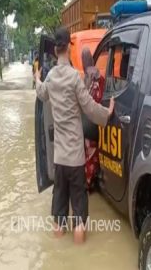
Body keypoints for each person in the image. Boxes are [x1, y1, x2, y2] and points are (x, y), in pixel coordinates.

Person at [35, 27, 114, 244]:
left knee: (59, 216)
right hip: (76, 158)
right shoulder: (74, 78)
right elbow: (89, 108)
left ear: (54, 51)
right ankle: (80, 255)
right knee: (79, 216)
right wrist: (106, 113)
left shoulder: (50, 78)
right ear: (69, 48)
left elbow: (41, 94)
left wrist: (37, 78)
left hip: (59, 158)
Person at [81, 47, 105, 191]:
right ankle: (94, 180)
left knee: (88, 154)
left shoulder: (85, 78)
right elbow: (102, 96)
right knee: (94, 153)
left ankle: (88, 183)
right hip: (97, 119)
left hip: (87, 122)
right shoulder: (99, 76)